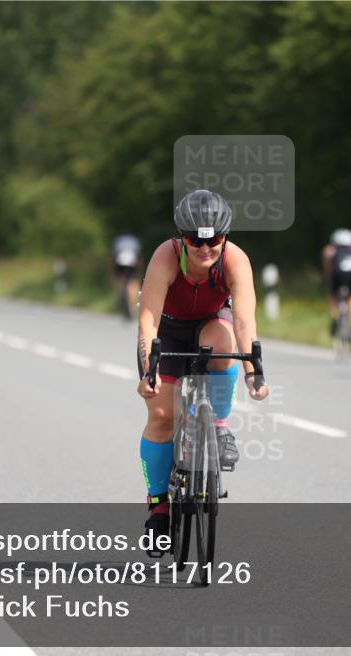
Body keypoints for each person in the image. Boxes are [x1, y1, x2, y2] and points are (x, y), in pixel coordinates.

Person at [136, 189, 270, 535]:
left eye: (215, 240)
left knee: (222, 344)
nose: (205, 248)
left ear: (225, 237)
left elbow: (244, 322)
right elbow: (148, 320)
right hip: (168, 331)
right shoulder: (165, 257)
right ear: (182, 238)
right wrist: (149, 369)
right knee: (162, 416)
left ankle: (220, 426)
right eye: (196, 240)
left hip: (211, 323)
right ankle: (158, 504)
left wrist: (253, 374)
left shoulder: (235, 260)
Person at [321, 228, 351, 340]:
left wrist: (329, 276)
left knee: (333, 295)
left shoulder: (330, 250)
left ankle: (335, 318)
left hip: (339, 272)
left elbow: (328, 266)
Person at [110, 233, 142, 319]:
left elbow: (114, 255)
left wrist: (113, 272)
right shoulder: (134, 240)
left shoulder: (118, 240)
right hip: (131, 264)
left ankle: (121, 296)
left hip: (119, 263)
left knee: (120, 281)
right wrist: (138, 270)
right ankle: (132, 304)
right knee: (133, 282)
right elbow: (137, 255)